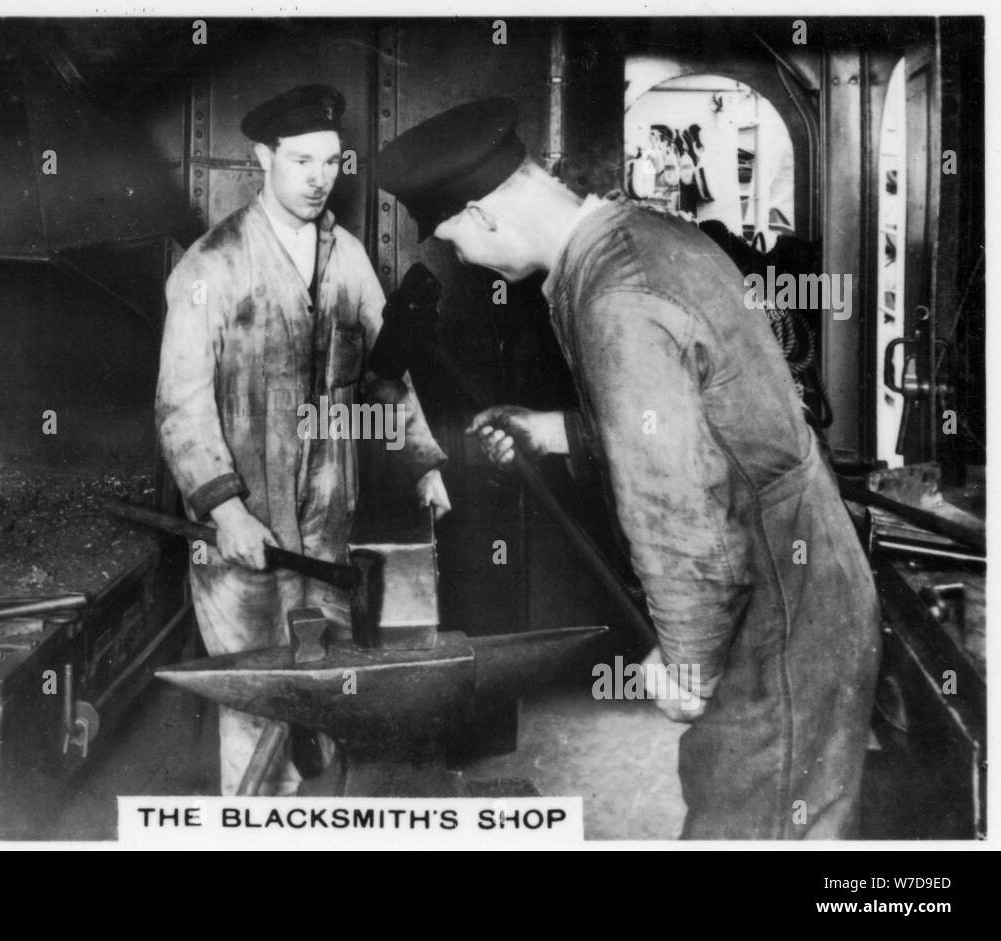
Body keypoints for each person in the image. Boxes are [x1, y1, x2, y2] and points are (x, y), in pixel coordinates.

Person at [374, 97, 881, 839]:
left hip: (777, 590)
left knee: (755, 817)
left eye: (454, 241)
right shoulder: (638, 233)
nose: (464, 260)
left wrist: (687, 653)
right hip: (795, 562)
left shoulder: (612, 294)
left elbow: (674, 496)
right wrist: (552, 429)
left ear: (482, 216)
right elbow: (689, 418)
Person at [157, 85, 450, 796]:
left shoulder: (346, 256)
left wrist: (422, 463)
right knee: (257, 702)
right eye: (301, 161)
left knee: (328, 696)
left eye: (331, 162)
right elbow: (181, 406)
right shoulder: (210, 267)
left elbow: (386, 374)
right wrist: (226, 511)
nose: (319, 179)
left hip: (324, 531)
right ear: (263, 159)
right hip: (243, 540)